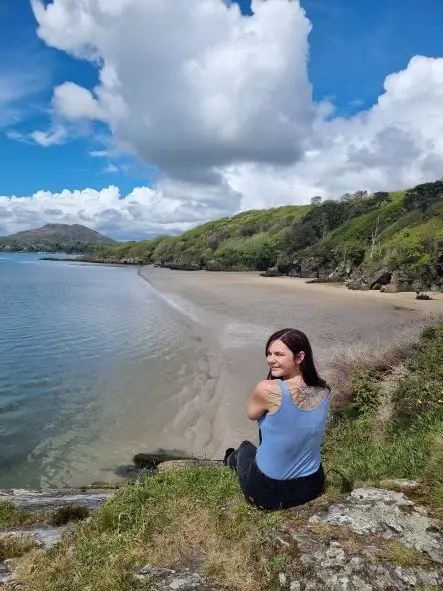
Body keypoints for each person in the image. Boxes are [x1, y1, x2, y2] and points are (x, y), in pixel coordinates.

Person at [224, 328, 330, 510]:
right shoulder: (323, 390)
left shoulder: (268, 388)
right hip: (312, 486)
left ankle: (227, 460)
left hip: (268, 493)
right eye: (269, 353)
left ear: (299, 357)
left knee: (243, 449)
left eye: (279, 354)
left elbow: (251, 414)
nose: (270, 360)